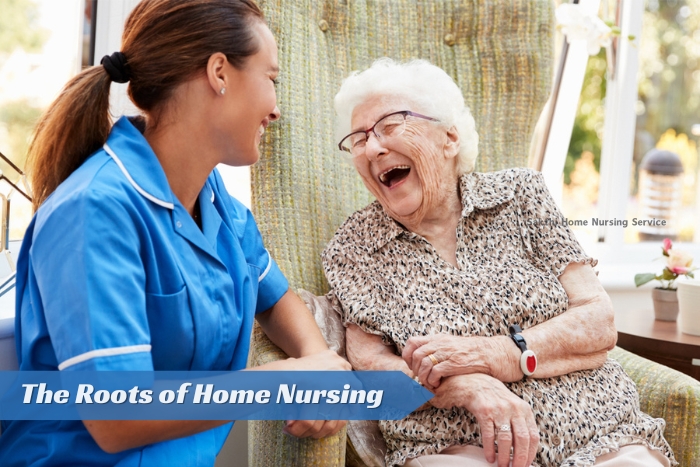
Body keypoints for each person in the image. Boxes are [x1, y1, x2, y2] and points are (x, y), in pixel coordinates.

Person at [0, 0, 350, 465]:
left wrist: (317, 359)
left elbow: (274, 296)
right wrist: (286, 380)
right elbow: (116, 416)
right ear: (219, 73)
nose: (276, 109)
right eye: (272, 80)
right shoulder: (94, 211)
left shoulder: (214, 201)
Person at [322, 58, 676, 467]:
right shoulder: (355, 246)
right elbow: (373, 370)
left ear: (449, 138)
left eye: (388, 126)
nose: (374, 147)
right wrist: (472, 388)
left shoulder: (520, 195)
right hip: (458, 444)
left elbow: (598, 321)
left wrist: (494, 356)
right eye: (359, 139)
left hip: (601, 434)